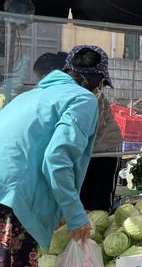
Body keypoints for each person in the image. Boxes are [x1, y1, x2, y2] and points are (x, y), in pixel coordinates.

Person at [0, 45, 110, 267]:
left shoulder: (31, 95)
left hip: (5, 191)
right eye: (102, 86)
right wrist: (76, 215)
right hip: (12, 198)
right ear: (97, 83)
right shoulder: (82, 99)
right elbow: (57, 159)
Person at [33, 48, 123, 212]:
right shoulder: (61, 93)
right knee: (80, 194)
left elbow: (98, 124)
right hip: (82, 149)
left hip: (105, 148)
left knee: (99, 202)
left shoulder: (90, 97)